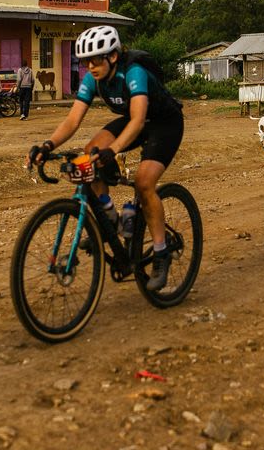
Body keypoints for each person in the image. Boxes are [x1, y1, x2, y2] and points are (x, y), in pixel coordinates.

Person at [26, 25, 184, 291]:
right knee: (90, 154)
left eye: (96, 59)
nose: (90, 66)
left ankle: (161, 253)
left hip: (164, 123)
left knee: (145, 184)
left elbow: (136, 121)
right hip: (136, 121)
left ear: (112, 56)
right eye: (85, 61)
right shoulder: (93, 78)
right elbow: (73, 119)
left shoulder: (133, 72)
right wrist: (48, 145)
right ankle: (111, 218)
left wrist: (114, 149)